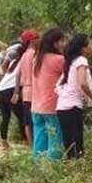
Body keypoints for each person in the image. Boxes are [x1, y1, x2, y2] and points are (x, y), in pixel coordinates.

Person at [56, 34, 92, 159]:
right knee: (77, 144)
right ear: (83, 48)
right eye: (90, 43)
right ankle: (78, 170)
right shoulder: (81, 61)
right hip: (73, 107)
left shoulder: (71, 62)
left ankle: (71, 170)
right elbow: (83, 83)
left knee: (69, 143)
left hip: (62, 107)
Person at [31, 28, 66, 160]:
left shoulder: (37, 59)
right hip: (52, 106)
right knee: (55, 139)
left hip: (36, 106)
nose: (64, 43)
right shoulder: (59, 60)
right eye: (62, 40)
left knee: (39, 140)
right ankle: (53, 167)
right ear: (55, 43)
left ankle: (38, 167)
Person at [12, 29, 40, 147]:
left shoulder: (23, 55)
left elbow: (17, 74)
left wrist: (17, 91)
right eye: (37, 38)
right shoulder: (35, 55)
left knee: (28, 121)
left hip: (25, 91)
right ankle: (37, 145)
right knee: (36, 120)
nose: (40, 40)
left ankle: (31, 145)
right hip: (35, 90)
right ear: (32, 41)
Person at [0, 41, 28, 150]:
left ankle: (3, 142)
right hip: (12, 89)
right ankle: (25, 140)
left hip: (2, 89)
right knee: (22, 116)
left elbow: (3, 69)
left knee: (5, 117)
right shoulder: (24, 61)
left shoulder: (13, 62)